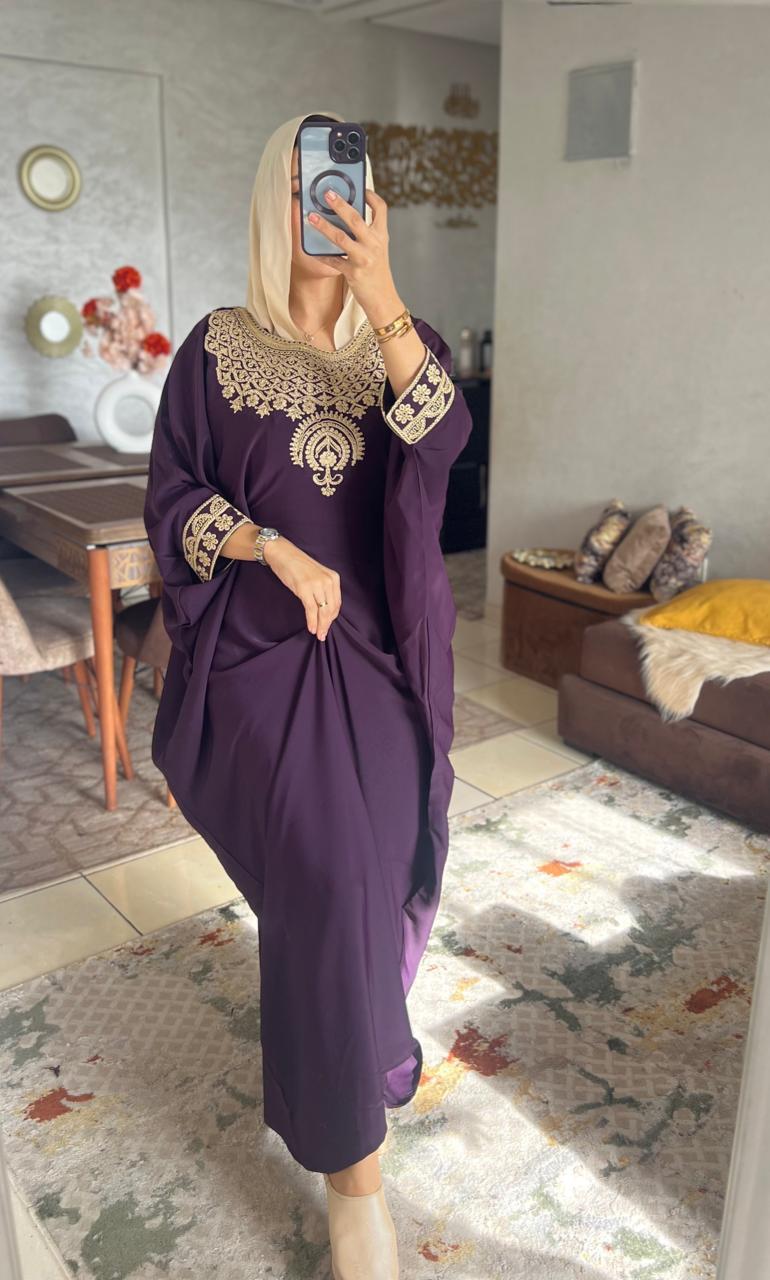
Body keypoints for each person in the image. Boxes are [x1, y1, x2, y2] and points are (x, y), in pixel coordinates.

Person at [142, 109, 473, 1279]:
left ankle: (348, 1047)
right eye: (302, 188)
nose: (323, 208)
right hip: (259, 662)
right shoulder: (214, 349)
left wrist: (382, 296)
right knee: (330, 886)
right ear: (268, 201)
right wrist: (268, 546)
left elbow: (442, 441)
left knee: (375, 883)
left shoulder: (402, 340)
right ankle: (353, 1181)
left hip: (381, 661)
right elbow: (171, 499)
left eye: (340, 188)